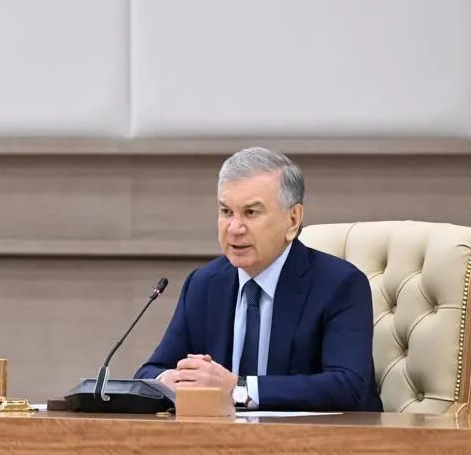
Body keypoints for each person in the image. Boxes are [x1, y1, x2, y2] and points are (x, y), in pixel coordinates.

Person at [135, 147, 383, 412]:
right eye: (226, 212)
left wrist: (237, 388)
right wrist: (172, 380)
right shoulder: (204, 284)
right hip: (219, 436)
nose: (234, 228)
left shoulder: (340, 285)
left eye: (251, 213)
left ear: (293, 220)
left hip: (318, 436)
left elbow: (347, 386)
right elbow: (149, 373)